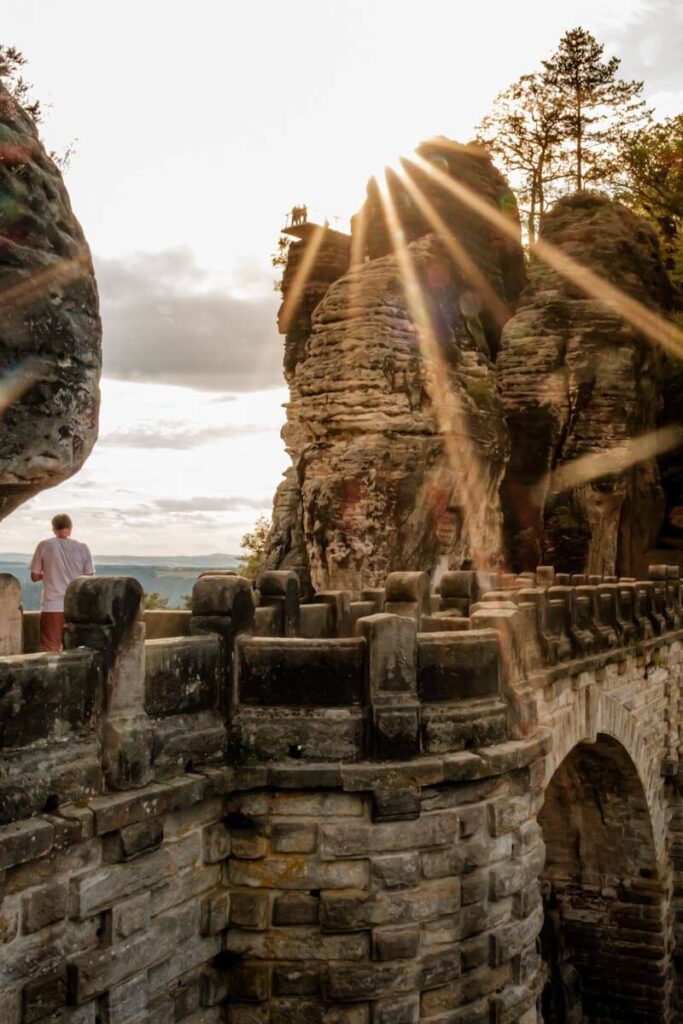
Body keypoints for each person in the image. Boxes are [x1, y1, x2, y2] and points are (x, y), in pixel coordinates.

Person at [30, 514, 95, 652]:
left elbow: (35, 576)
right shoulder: (82, 547)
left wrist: (49, 573)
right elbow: (89, 575)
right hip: (77, 605)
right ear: (70, 528)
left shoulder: (44, 545)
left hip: (53, 604)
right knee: (76, 649)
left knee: (50, 648)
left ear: (53, 529)